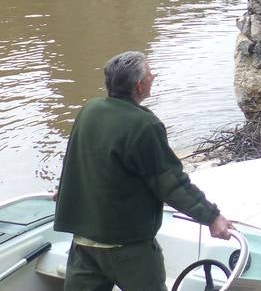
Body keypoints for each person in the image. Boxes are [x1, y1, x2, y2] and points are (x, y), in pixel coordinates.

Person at [54, 51, 232, 291]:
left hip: (84, 243)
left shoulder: (89, 110)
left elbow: (75, 161)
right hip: (127, 248)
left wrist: (64, 191)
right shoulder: (144, 125)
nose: (153, 75)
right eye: (150, 73)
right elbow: (172, 184)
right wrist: (211, 216)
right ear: (139, 86)